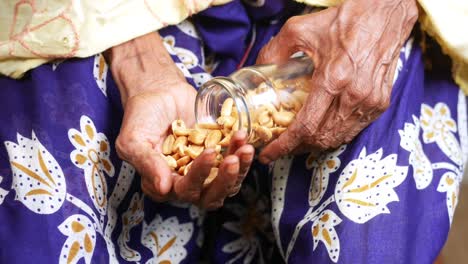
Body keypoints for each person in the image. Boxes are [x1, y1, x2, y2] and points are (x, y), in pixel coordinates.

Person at [0, 0, 466, 263]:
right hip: (102, 16)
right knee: (59, 230)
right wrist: (138, 62)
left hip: (350, 17)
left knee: (364, 234)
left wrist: (385, 13)